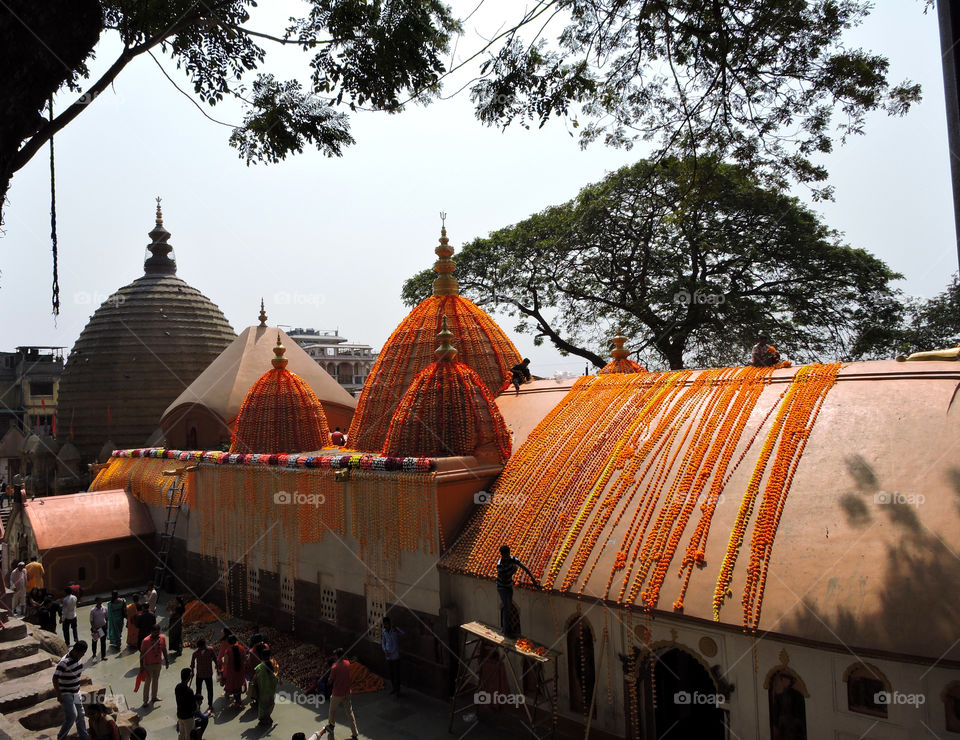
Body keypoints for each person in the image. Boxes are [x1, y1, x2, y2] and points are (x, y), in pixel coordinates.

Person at [496, 545, 539, 638]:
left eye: (508, 555)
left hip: (509, 586)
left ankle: (508, 628)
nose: (507, 557)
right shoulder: (500, 565)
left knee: (509, 606)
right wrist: (513, 571)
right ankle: (506, 631)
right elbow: (504, 578)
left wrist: (533, 579)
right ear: (502, 555)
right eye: (505, 556)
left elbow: (523, 568)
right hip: (502, 587)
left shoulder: (512, 559)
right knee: (506, 607)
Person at [53, 639, 89, 740]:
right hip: (66, 692)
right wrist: (59, 694)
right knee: (72, 715)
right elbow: (55, 678)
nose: (83, 656)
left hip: (76, 691)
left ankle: (84, 737)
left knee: (81, 715)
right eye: (82, 653)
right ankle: (61, 737)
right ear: (76, 651)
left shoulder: (79, 659)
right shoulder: (64, 662)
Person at [325, 648, 359, 739]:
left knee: (332, 711)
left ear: (337, 656)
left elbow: (330, 681)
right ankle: (355, 733)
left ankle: (331, 725)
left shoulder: (335, 667)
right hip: (347, 692)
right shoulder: (347, 663)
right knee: (350, 713)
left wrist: (328, 680)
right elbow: (347, 660)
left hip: (337, 693)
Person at [139, 624, 169, 707]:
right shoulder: (146, 641)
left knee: (156, 680)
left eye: (157, 632)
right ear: (151, 632)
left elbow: (164, 650)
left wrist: (167, 661)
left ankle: (154, 697)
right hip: (148, 665)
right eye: (154, 632)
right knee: (147, 683)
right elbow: (142, 654)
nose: (156, 634)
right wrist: (141, 666)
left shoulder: (162, 638)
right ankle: (145, 700)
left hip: (158, 663)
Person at [253, 646, 279, 727]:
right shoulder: (274, 664)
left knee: (262, 706)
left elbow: (255, 678)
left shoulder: (260, 667)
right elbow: (276, 675)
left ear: (261, 656)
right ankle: (267, 717)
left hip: (263, 691)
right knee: (270, 704)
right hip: (271, 690)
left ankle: (264, 719)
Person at [190, 637, 218, 709]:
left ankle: (210, 704)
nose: (200, 649)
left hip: (208, 674)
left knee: (210, 690)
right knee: (198, 690)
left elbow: (215, 659)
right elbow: (192, 663)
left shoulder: (210, 650)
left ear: (204, 645)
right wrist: (192, 672)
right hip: (199, 674)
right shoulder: (195, 653)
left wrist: (217, 667)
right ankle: (197, 704)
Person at [220, 634, 246, 708]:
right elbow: (244, 659)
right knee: (238, 685)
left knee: (232, 685)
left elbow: (225, 663)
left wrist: (222, 660)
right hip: (240, 671)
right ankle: (238, 700)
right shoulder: (241, 648)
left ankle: (236, 702)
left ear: (228, 642)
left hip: (231, 672)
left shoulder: (228, 651)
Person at [381, 617, 405, 698]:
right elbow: (383, 642)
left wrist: (397, 630)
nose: (386, 625)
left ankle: (398, 690)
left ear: (389, 623)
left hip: (395, 655)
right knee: (391, 673)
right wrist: (384, 650)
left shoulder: (395, 630)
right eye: (385, 624)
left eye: (387, 624)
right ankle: (394, 688)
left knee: (396, 674)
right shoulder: (384, 632)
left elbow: (403, 634)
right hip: (388, 655)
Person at [175, 668, 200, 740]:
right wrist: (197, 704)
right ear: (188, 677)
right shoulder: (189, 691)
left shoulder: (177, 687)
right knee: (189, 735)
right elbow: (193, 707)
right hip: (188, 716)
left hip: (180, 714)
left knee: (181, 733)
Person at [89, 597, 108, 661]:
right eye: (99, 601)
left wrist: (107, 626)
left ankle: (103, 656)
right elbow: (91, 620)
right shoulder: (93, 610)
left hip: (103, 627)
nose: (100, 602)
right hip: (96, 629)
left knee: (103, 642)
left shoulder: (105, 608)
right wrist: (93, 628)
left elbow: (106, 617)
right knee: (94, 642)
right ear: (96, 602)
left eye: (101, 600)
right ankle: (94, 653)